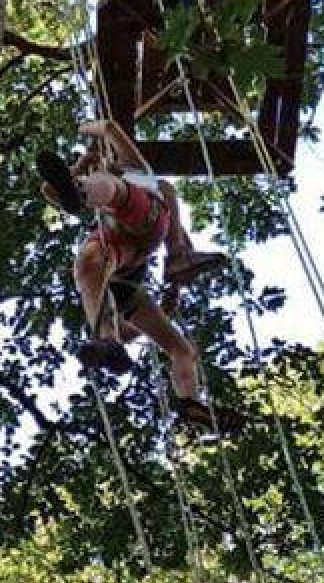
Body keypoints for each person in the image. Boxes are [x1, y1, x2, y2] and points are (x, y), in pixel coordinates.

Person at [36, 120, 242, 431]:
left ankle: (80, 192)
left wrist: (84, 131)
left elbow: (109, 127)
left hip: (144, 215)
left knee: (112, 190)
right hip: (124, 263)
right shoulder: (121, 283)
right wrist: (80, 165)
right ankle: (190, 404)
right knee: (178, 346)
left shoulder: (133, 168)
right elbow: (50, 189)